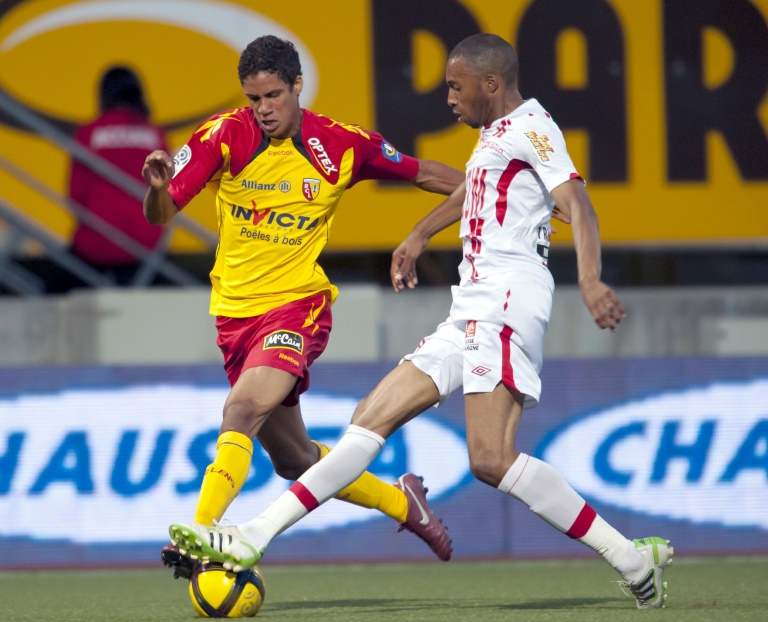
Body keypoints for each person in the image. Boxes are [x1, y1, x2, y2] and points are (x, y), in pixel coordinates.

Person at [168, 34, 674, 610]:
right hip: (470, 306)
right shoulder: (493, 138)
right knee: (366, 423)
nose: (449, 99)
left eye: (456, 88)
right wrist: (418, 234)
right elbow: (472, 190)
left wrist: (590, 279)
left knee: (489, 460)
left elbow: (579, 204)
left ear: (490, 84)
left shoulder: (535, 129)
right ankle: (254, 535)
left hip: (507, 301)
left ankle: (633, 560)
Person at [144, 35, 464, 578]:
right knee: (292, 460)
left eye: (272, 95)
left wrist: (503, 191)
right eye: (253, 99)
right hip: (234, 318)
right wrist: (155, 188)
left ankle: (202, 532)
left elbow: (427, 174)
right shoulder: (222, 137)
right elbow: (159, 214)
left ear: (297, 86)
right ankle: (403, 502)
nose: (262, 109)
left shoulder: (340, 144)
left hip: (297, 309)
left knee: (240, 412)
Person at [68, 66, 167, 285]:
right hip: (144, 243)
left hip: (95, 242)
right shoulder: (155, 134)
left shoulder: (88, 132)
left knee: (52, 291)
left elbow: (76, 195)